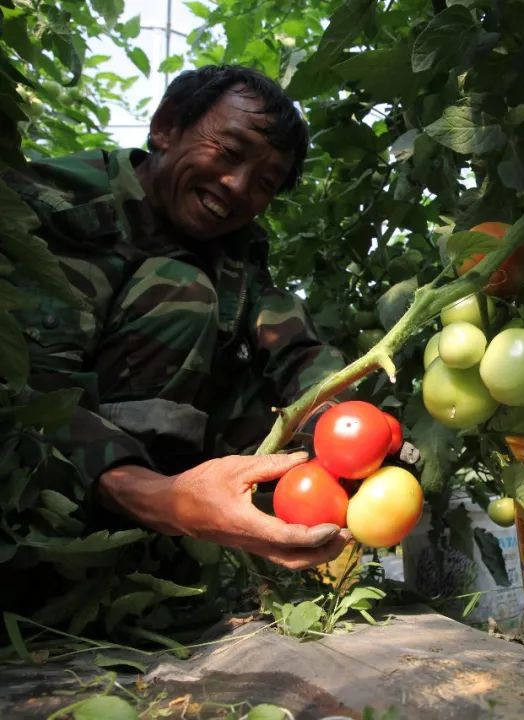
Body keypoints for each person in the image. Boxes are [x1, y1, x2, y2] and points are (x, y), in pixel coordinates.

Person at [5, 66, 351, 570]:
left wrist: (346, 422)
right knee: (181, 290)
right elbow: (26, 401)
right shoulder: (45, 210)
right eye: (228, 152)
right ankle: (106, 555)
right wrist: (163, 498)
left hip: (157, 483)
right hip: (38, 493)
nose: (237, 185)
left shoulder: (236, 252)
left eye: (265, 183)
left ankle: (186, 545)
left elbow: (294, 347)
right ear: (165, 126)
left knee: (283, 406)